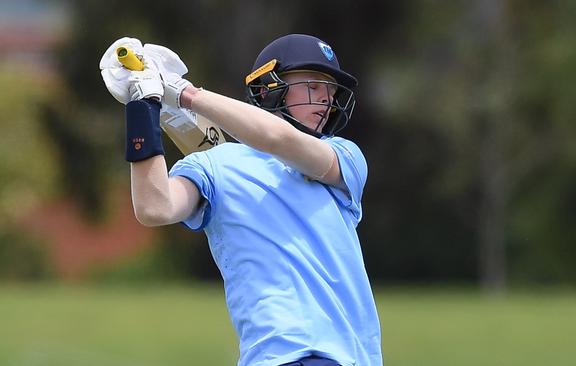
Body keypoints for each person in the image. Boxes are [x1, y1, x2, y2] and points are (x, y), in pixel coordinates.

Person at [100, 34, 382, 366]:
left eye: (332, 90)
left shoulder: (344, 157)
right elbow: (154, 207)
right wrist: (142, 105)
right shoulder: (213, 167)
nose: (327, 98)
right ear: (268, 89)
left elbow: (277, 138)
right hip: (275, 357)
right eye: (315, 85)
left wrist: (184, 93)